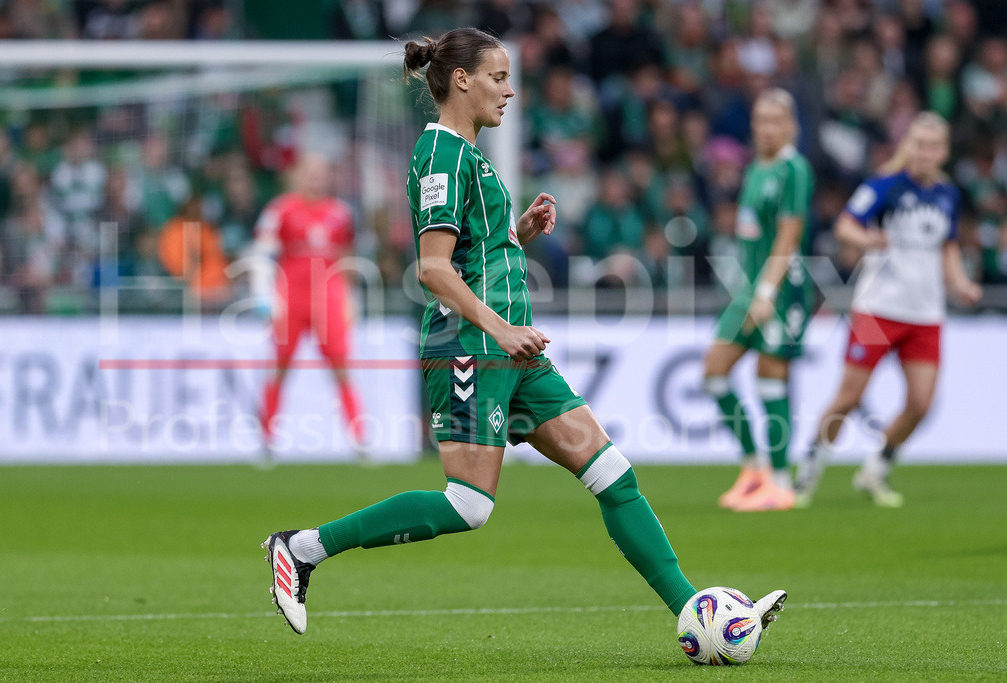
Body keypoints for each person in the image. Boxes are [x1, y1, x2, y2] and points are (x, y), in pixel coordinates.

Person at [261, 27, 787, 640]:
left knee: (614, 475)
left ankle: (696, 612)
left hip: (512, 351)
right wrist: (502, 329)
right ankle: (302, 548)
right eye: (499, 77)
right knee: (468, 504)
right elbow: (433, 269)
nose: (510, 91)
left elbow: (472, 253)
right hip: (470, 347)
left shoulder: (469, 154)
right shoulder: (441, 154)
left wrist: (517, 234)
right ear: (462, 80)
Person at [794, 112, 982, 508]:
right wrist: (867, 240)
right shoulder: (885, 185)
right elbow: (845, 225)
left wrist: (960, 282)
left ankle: (877, 466)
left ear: (944, 152)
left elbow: (948, 247)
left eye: (933, 146)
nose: (925, 152)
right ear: (908, 146)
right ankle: (811, 464)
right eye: (920, 144)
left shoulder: (948, 195)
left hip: (925, 313)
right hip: (877, 309)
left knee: (921, 404)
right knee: (849, 397)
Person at [702, 89, 815, 513]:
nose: (766, 129)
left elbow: (789, 235)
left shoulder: (793, 169)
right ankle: (754, 467)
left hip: (781, 290)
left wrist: (767, 291)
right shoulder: (756, 168)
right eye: (760, 120)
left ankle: (781, 482)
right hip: (749, 289)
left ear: (791, 126)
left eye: (774, 121)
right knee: (714, 373)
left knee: (770, 378)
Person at [249, 153, 365, 460]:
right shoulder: (280, 210)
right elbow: (261, 252)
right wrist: (263, 294)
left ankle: (359, 438)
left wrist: (351, 297)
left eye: (320, 172)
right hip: (291, 297)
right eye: (309, 172)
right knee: (279, 367)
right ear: (297, 175)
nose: (315, 177)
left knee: (341, 368)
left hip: (328, 296)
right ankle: (266, 439)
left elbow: (346, 256)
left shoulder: (340, 213)